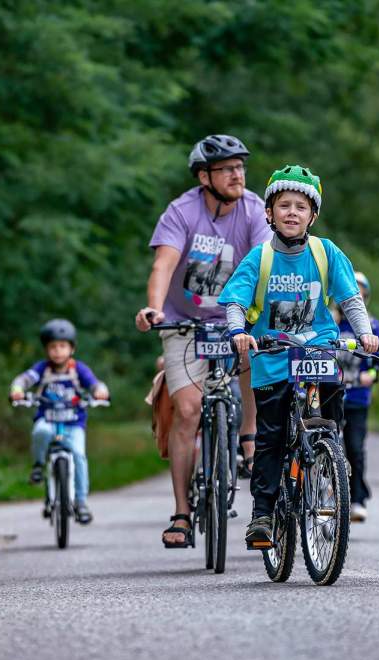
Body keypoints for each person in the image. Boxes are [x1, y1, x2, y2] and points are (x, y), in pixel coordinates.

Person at [218, 165, 379, 548]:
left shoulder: (326, 253)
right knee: (271, 438)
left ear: (313, 215)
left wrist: (366, 334)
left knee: (327, 423)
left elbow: (349, 299)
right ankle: (262, 515)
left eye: (301, 207)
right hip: (272, 357)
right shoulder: (260, 258)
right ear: (269, 214)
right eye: (284, 205)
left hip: (318, 351)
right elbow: (236, 302)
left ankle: (325, 471)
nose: (292, 212)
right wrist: (239, 332)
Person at [134, 134, 270, 547]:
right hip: (183, 323)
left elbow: (267, 260)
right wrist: (154, 309)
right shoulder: (182, 211)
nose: (238, 175)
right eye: (228, 168)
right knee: (188, 411)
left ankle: (248, 436)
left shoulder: (252, 210)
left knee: (252, 350)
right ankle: (181, 513)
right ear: (204, 175)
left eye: (240, 167)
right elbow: (163, 265)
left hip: (234, 320)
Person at [9, 319, 109, 525]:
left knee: (79, 456)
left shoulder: (78, 369)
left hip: (73, 423)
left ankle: (81, 502)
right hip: (47, 419)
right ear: (46, 350)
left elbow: (94, 383)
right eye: (53, 347)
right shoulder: (42, 369)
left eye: (62, 346)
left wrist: (100, 392)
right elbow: (24, 379)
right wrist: (18, 390)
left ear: (72, 348)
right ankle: (38, 465)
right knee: (40, 433)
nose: (58, 351)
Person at [336, 272, 379, 522]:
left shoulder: (372, 325)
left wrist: (373, 374)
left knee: (354, 448)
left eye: (360, 294)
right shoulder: (332, 323)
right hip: (331, 394)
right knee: (329, 445)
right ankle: (326, 494)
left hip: (357, 398)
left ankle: (357, 498)